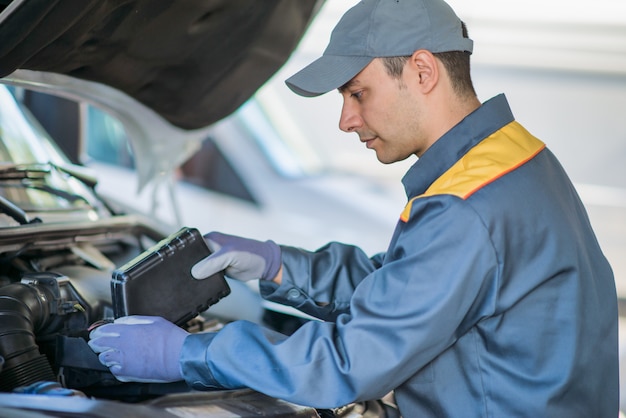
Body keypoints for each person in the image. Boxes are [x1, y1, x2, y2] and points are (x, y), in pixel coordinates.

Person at [88, 0, 619, 416]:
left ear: (422, 71)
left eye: (358, 93)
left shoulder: (467, 206)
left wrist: (188, 354)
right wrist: (280, 264)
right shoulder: (517, 160)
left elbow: (350, 362)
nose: (346, 120)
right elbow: (405, 290)